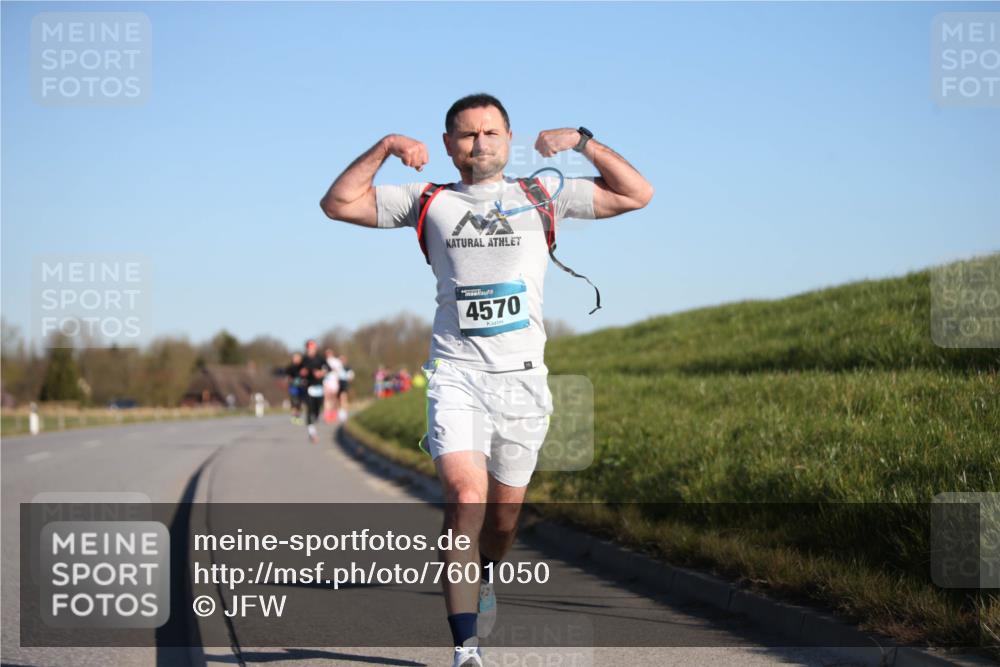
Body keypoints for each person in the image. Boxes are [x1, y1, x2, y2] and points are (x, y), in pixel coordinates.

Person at [320, 93, 652, 666]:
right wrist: (387, 146)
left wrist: (580, 140)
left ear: (509, 137)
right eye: (468, 135)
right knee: (465, 498)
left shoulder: (540, 193)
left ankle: (487, 575)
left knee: (501, 519)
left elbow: (635, 192)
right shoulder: (427, 201)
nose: (480, 144)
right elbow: (337, 203)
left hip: (523, 381)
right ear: (449, 145)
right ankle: (466, 647)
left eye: (491, 133)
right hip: (456, 374)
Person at [300, 339, 330, 443]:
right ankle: (312, 433)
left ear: (315, 348)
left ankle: (315, 418)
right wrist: (302, 373)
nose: (310, 350)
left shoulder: (320, 358)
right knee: (309, 410)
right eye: (309, 348)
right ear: (307, 348)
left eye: (312, 347)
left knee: (317, 410)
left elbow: (328, 369)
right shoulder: (304, 359)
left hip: (319, 387)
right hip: (308, 387)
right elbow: (298, 371)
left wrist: (321, 372)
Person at [323, 348, 343, 423]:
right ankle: (327, 415)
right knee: (327, 398)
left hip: (334, 382)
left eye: (329, 353)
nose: (328, 354)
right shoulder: (323, 361)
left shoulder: (336, 361)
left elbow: (339, 372)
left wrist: (337, 381)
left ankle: (334, 414)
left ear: (332, 353)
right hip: (326, 382)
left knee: (334, 399)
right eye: (327, 353)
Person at [285, 352, 304, 424]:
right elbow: (287, 377)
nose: (296, 359)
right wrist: (291, 380)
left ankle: (298, 416)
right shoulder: (290, 367)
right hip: (293, 388)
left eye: (298, 358)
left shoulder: (303, 366)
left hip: (301, 387)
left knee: (300, 403)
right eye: (295, 358)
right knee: (294, 403)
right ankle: (294, 417)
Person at [337, 354, 354, 420]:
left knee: (343, 397)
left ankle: (344, 413)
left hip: (344, 383)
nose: (341, 361)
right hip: (337, 383)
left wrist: (348, 379)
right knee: (338, 399)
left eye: (342, 359)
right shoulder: (337, 367)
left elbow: (351, 376)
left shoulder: (347, 367)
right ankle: (340, 411)